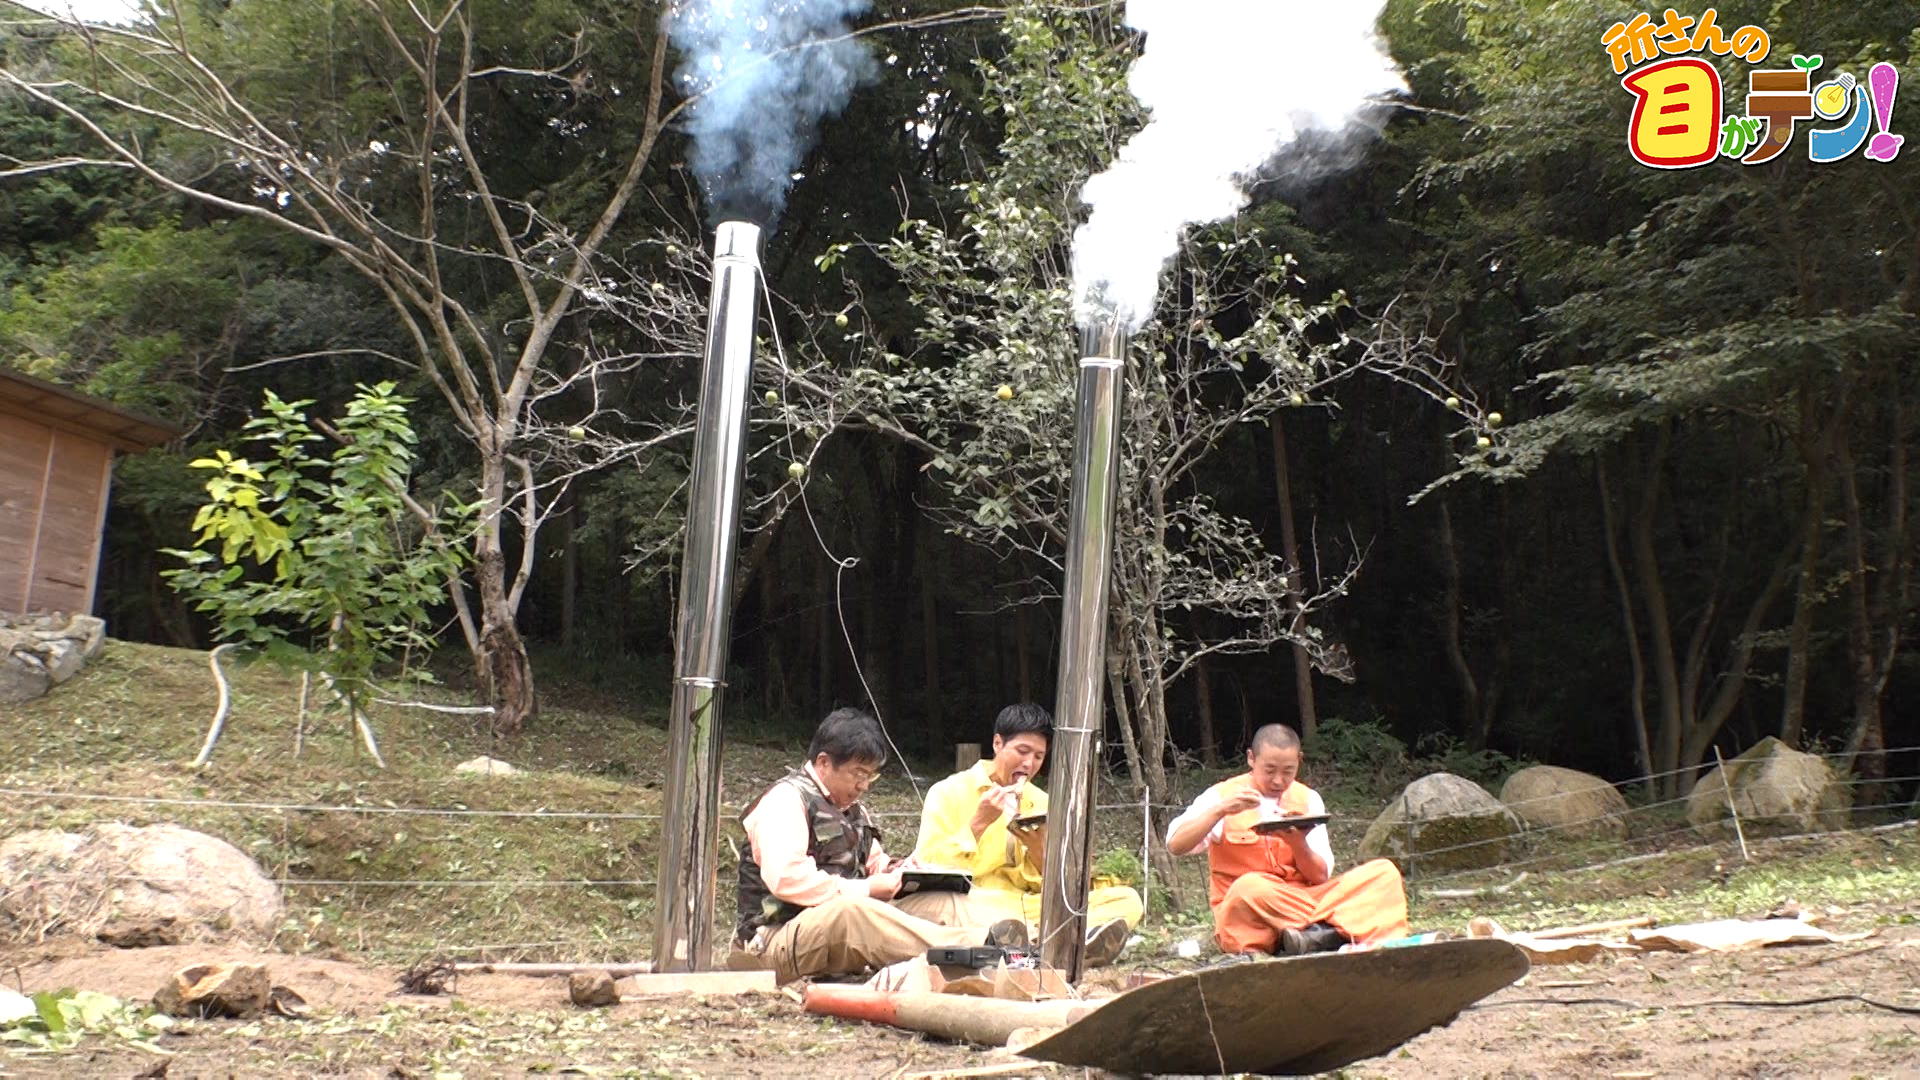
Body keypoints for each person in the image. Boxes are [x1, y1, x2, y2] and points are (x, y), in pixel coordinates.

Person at [733, 707, 1025, 984]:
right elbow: (787, 878)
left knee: (943, 900)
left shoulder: (852, 810)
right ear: (823, 762)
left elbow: (875, 864)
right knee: (851, 911)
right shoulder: (785, 800)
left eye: (870, 775)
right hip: (772, 941)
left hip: (830, 924)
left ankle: (1030, 946)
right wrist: (870, 889)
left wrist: (904, 871)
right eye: (858, 773)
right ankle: (983, 954)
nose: (864, 785)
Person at [899, 703, 1141, 967]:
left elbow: (1065, 886)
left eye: (1039, 756)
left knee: (1127, 899)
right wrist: (978, 823)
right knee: (948, 906)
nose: (1029, 763)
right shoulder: (948, 792)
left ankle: (1032, 944)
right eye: (1022, 751)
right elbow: (929, 865)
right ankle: (1061, 943)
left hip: (1029, 906)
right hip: (974, 901)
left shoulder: (1044, 802)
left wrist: (1041, 853)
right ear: (997, 743)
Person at [1165, 723, 1408, 956]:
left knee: (1384, 873)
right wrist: (1219, 811)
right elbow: (1176, 845)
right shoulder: (1221, 796)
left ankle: (1309, 935)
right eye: (1269, 770)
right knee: (1249, 887)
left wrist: (1297, 843)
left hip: (1303, 898)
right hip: (1252, 909)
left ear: (1299, 761)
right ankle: (1330, 930)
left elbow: (1320, 877)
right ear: (1251, 758)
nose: (1278, 780)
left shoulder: (1308, 799)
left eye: (1288, 771)